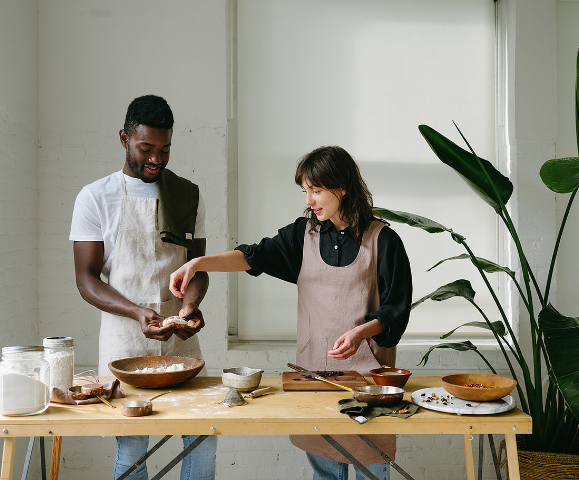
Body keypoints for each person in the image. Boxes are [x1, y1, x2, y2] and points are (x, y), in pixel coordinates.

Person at [169, 145, 412, 480]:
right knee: (326, 472)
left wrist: (360, 333)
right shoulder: (303, 235)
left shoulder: (384, 240)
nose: (309, 200)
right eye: (305, 191)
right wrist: (197, 263)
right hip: (313, 380)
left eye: (315, 190)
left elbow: (396, 310)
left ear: (341, 187)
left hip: (368, 383)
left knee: (371, 470)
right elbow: (252, 256)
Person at [70, 95, 217, 480]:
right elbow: (86, 279)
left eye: (165, 149)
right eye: (146, 148)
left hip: (179, 336)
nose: (156, 159)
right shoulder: (95, 197)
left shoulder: (189, 194)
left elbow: (197, 269)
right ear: (124, 138)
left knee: (203, 432)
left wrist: (190, 306)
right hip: (125, 338)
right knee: (133, 442)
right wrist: (137, 312)